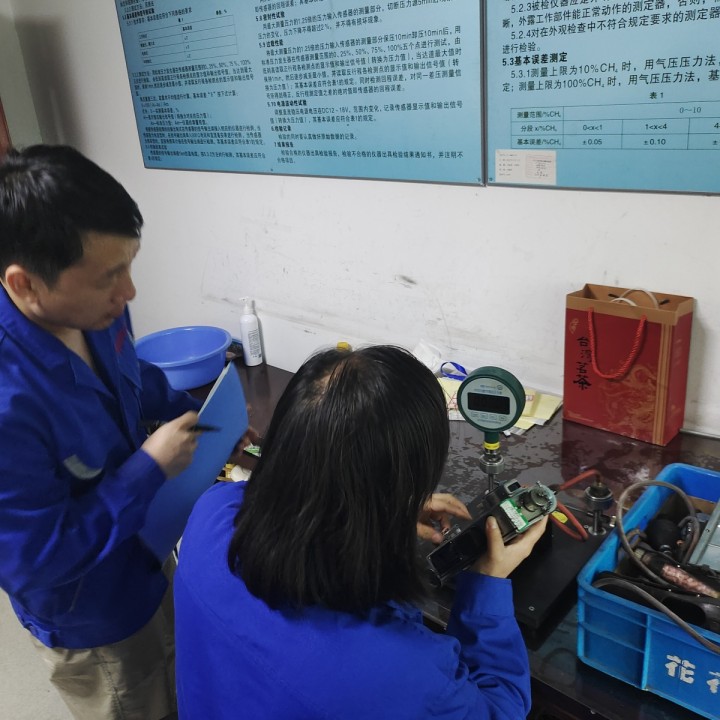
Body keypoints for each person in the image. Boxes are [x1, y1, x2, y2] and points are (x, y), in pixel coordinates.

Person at [174, 344, 548, 719]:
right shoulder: (400, 676)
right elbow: (499, 708)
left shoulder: (210, 513)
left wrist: (384, 511)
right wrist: (486, 584)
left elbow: (289, 488)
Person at [0, 144, 214, 720]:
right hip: (90, 613)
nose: (129, 293)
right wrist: (148, 469)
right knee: (136, 701)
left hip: (145, 548)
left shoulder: (96, 307)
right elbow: (35, 559)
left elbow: (130, 374)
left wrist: (199, 413)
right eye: (109, 277)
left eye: (129, 265)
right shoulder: (8, 402)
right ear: (25, 284)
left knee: (179, 680)